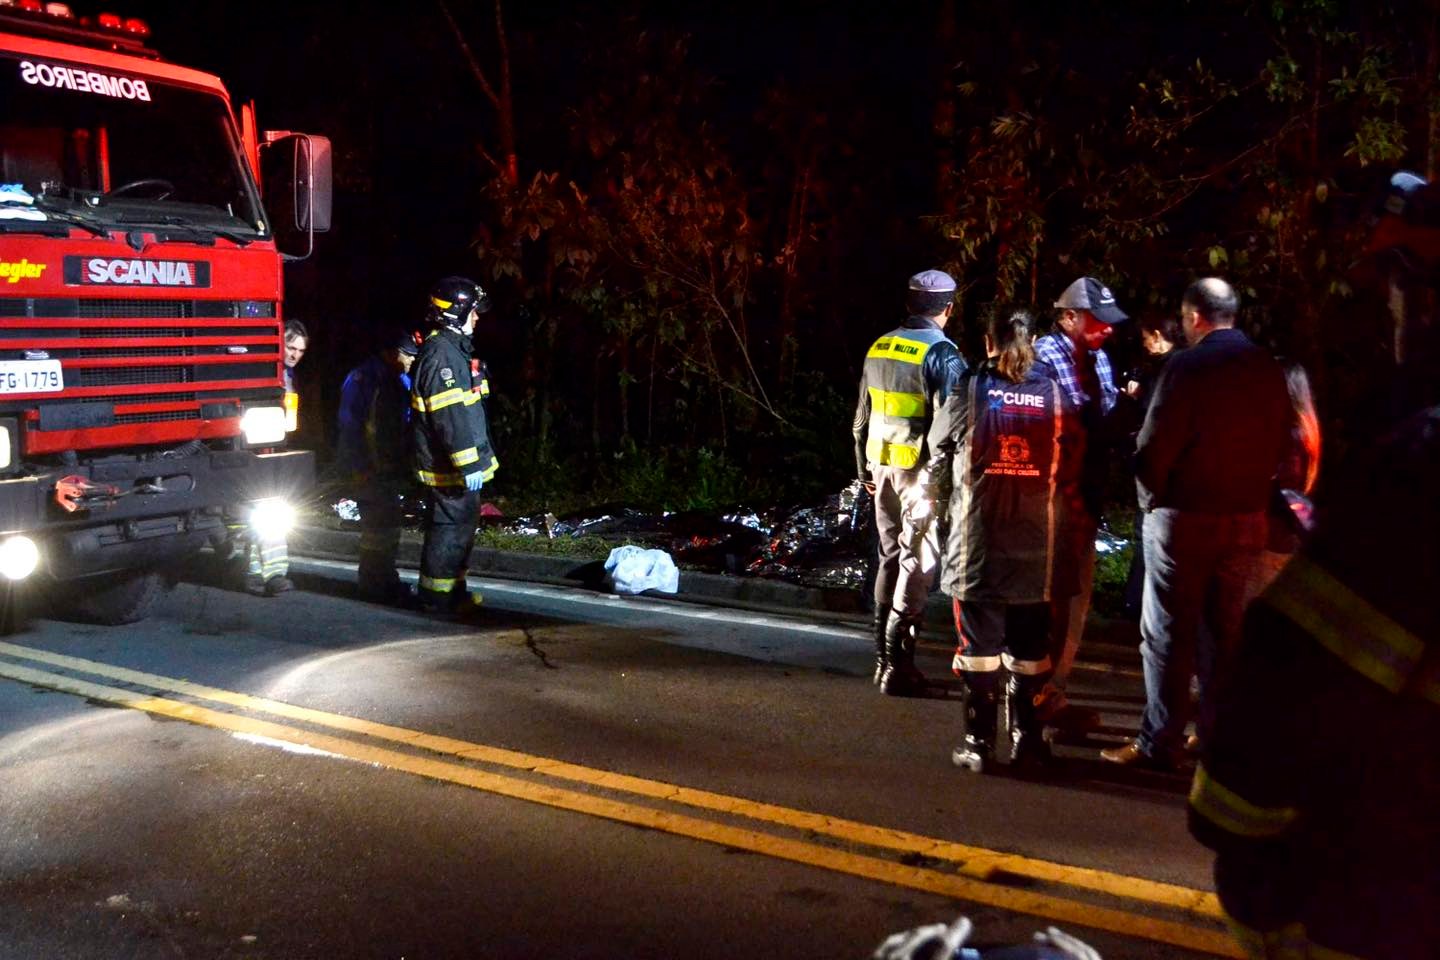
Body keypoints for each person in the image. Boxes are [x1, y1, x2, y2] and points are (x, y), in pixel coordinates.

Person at [1187, 171, 1440, 959]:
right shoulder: (1278, 376)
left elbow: (1301, 671)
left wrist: (1244, 841)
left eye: (1400, 281)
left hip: (1386, 894)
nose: (1392, 308)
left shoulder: (1421, 467)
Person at [1101, 278, 1290, 769]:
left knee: (1167, 633)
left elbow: (1156, 441)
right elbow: (1282, 440)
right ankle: (1214, 739)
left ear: (1194, 317)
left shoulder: (1187, 365)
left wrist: (1149, 499)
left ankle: (1158, 741)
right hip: (1246, 518)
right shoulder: (1267, 365)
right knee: (1224, 636)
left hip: (1185, 516)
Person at [927, 309, 1081, 771]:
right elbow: (1073, 459)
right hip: (1040, 548)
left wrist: (940, 501)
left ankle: (978, 745)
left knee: (979, 651)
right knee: (1031, 651)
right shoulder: (1055, 393)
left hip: (980, 545)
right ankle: (1029, 743)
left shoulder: (969, 388)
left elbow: (939, 447)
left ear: (988, 341)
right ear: (1032, 341)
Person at [852, 269, 967, 695]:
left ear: (908, 303)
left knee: (888, 556)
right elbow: (952, 427)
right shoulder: (944, 354)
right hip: (919, 474)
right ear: (948, 309)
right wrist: (945, 484)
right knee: (917, 562)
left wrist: (862, 469)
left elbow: (861, 417)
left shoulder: (880, 345)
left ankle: (883, 661)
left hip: (880, 467)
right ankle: (899, 668)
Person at [1032, 276, 1128, 724]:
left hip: (1087, 499)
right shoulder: (1043, 356)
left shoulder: (1101, 360)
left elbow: (1103, 424)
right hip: (1050, 499)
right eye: (1097, 321)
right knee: (1048, 595)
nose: (1107, 329)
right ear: (1068, 317)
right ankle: (1036, 693)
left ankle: (1055, 687)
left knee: (1076, 598)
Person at [410, 277, 498, 615]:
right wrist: (468, 464)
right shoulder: (441, 356)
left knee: (461, 528)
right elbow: (450, 420)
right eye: (473, 312)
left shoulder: (453, 352)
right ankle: (436, 596)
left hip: (458, 465)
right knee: (449, 530)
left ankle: (453, 591)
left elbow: (469, 412)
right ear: (456, 314)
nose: (477, 318)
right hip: (449, 466)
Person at [337, 329, 419, 602]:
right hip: (370, 467)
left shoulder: (399, 380)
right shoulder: (364, 379)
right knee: (376, 527)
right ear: (390, 352)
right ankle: (373, 583)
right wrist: (359, 467)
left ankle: (384, 578)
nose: (410, 361)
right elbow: (351, 427)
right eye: (407, 355)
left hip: (387, 466)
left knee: (388, 525)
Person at [1242, 359, 1321, 604]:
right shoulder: (1305, 429)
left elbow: (1283, 486)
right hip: (1278, 536)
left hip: (1271, 539)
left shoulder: (1290, 434)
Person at [1120, 313, 1183, 619]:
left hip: (1157, 479)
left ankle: (1136, 607)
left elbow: (1150, 421)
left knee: (1148, 542)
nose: (1144, 345)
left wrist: (1134, 400)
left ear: (1157, 336)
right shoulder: (1187, 367)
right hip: (1178, 480)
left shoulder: (1163, 369)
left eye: (1146, 338)